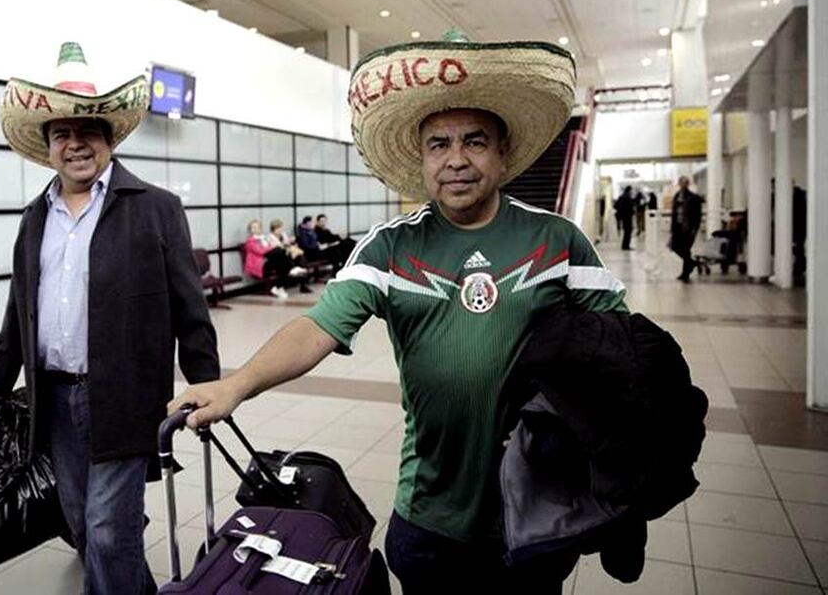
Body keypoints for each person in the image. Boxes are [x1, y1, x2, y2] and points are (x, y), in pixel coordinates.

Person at [170, 31, 626, 593]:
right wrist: (238, 383)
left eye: (474, 141)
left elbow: (622, 347)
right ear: (421, 156)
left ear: (502, 151)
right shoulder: (390, 247)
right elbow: (318, 325)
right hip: (430, 512)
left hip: (536, 509)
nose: (456, 159)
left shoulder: (558, 240)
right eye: (438, 144)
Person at [0, 42, 219, 594]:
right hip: (53, 398)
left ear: (109, 139)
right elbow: (20, 308)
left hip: (126, 395)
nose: (75, 143)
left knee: (107, 530)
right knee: (84, 521)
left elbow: (189, 303)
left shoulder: (154, 207)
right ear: (48, 146)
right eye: (62, 133)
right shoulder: (35, 217)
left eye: (88, 130)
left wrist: (205, 381)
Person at [243, 219, 306, 298]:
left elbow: (269, 248)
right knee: (279, 252)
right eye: (253, 228)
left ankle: (278, 287)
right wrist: (272, 247)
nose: (256, 229)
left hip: (269, 261)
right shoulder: (250, 241)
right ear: (250, 230)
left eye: (258, 227)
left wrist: (273, 247)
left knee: (282, 262)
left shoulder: (263, 238)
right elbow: (261, 251)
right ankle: (290, 271)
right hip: (260, 265)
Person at [670, 176, 703, 282]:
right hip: (677, 227)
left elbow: (698, 215)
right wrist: (672, 227)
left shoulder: (694, 197)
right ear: (679, 184)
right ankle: (691, 263)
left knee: (686, 249)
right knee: (674, 247)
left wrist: (695, 228)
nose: (683, 185)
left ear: (688, 184)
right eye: (681, 183)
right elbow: (674, 214)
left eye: (685, 183)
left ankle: (685, 273)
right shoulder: (676, 196)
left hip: (688, 228)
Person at [613, 185, 636, 250]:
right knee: (628, 231)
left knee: (626, 231)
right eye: (631, 190)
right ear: (629, 190)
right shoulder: (627, 197)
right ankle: (626, 246)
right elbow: (630, 207)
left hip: (623, 217)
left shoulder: (621, 196)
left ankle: (624, 245)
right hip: (627, 217)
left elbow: (615, 206)